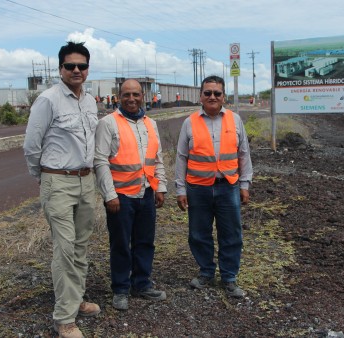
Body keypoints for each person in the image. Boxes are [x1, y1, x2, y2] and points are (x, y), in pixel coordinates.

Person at [23, 41, 99, 338]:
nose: (76, 70)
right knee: (65, 248)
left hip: (85, 180)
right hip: (58, 181)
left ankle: (76, 300)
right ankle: (64, 319)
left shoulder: (90, 101)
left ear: (87, 69)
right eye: (70, 66)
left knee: (80, 247)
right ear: (60, 69)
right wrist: (43, 177)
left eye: (82, 65)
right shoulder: (48, 100)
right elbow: (31, 145)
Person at [174, 75, 253, 298]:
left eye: (217, 93)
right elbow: (181, 157)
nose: (212, 97)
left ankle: (229, 277)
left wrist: (244, 184)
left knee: (231, 233)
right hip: (197, 188)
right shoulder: (189, 122)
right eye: (207, 93)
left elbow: (243, 154)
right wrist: (180, 189)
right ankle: (206, 271)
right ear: (200, 96)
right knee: (199, 234)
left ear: (223, 97)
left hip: (228, 186)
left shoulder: (235, 120)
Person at [94, 79, 168, 311]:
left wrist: (160, 187)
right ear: (118, 97)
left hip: (146, 193)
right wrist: (109, 194)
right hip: (121, 197)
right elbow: (100, 161)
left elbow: (157, 158)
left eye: (136, 94)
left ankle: (142, 283)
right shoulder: (108, 124)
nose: (131, 99)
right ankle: (121, 289)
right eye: (126, 95)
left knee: (145, 242)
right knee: (120, 244)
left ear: (143, 96)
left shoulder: (151, 124)